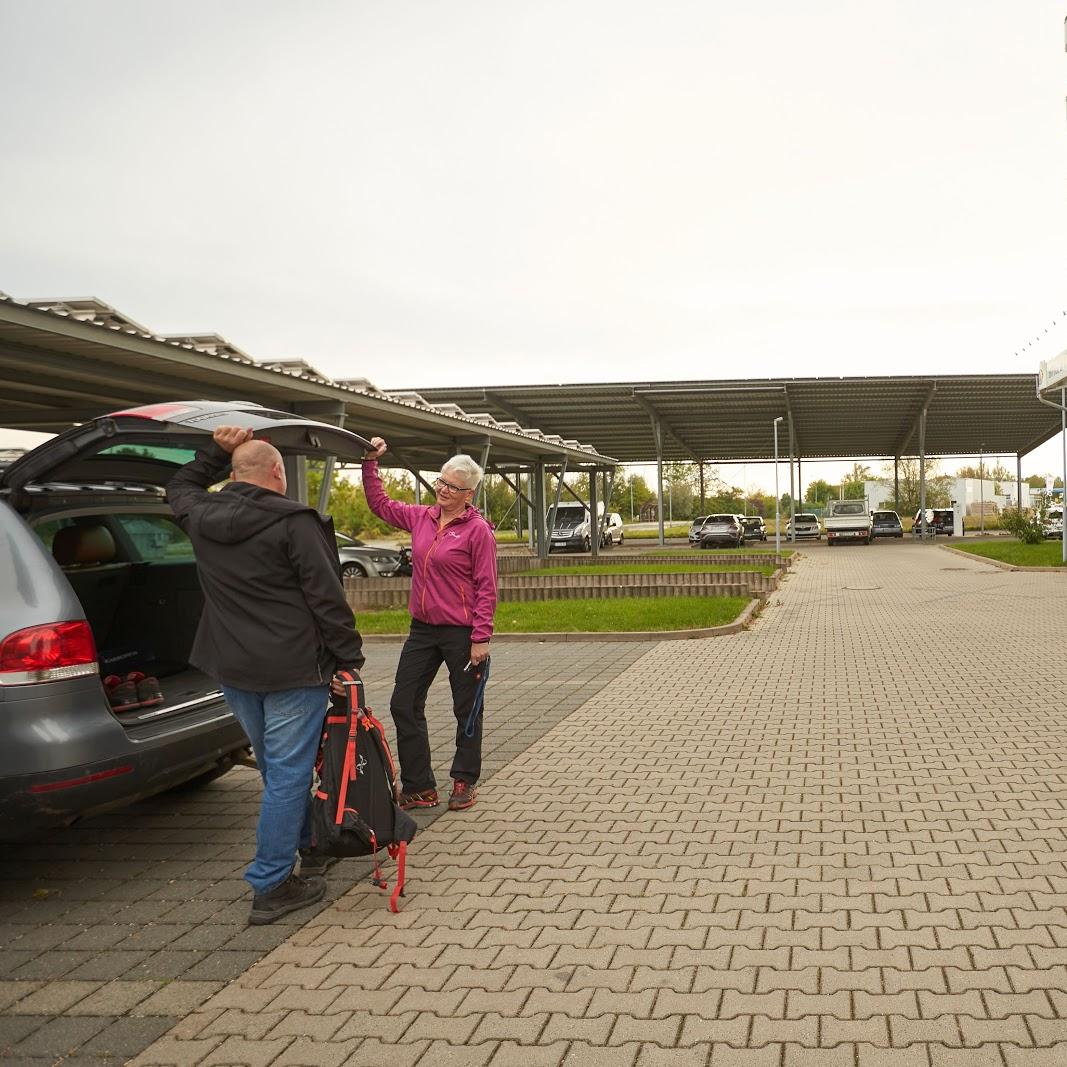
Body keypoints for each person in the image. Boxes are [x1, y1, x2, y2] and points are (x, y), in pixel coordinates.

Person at [167, 426, 365, 925]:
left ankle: (311, 848)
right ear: (278, 473)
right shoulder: (296, 522)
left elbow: (179, 486)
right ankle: (272, 882)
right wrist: (348, 659)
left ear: (235, 474)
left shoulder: (201, 514)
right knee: (288, 774)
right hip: (294, 669)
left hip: (232, 668)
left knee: (281, 772)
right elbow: (327, 597)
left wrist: (216, 451)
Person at [362, 437, 497, 812]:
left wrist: (480, 637)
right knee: (403, 702)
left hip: (462, 632)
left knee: (466, 707)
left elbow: (487, 587)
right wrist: (370, 463)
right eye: (440, 481)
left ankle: (464, 781)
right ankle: (419, 786)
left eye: (451, 486)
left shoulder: (478, 531)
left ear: (468, 493)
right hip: (422, 629)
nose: (441, 489)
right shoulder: (422, 517)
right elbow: (380, 504)